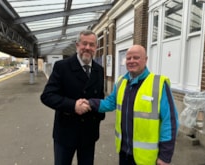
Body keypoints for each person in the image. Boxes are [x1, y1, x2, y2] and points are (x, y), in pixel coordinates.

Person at [80, 45, 179, 165]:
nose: (131, 61)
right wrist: (90, 103)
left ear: (145, 60)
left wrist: (165, 156)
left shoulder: (158, 84)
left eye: (136, 57)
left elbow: (170, 121)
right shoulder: (122, 81)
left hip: (147, 158)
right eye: (129, 58)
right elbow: (111, 102)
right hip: (124, 152)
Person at [40, 30, 105, 165]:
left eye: (91, 45)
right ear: (77, 45)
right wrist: (73, 106)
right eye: (84, 44)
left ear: (95, 48)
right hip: (66, 133)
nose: (87, 48)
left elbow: (100, 97)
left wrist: (99, 117)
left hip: (89, 133)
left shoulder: (99, 70)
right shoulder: (62, 66)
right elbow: (47, 96)